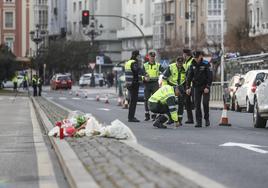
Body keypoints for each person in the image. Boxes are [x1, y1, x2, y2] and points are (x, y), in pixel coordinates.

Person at [186, 51, 212, 127]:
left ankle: (206, 119)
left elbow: (210, 76)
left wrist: (207, 86)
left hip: (205, 87)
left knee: (205, 103)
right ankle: (199, 121)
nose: (196, 59)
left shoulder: (206, 63)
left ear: (200, 56)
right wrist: (187, 87)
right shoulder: (192, 64)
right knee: (197, 105)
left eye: (197, 57)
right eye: (195, 58)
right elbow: (189, 77)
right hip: (196, 87)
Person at [162, 56, 186, 126]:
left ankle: (179, 119)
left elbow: (188, 78)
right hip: (171, 87)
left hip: (180, 86)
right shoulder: (171, 67)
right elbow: (164, 78)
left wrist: (188, 87)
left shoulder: (185, 68)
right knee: (170, 103)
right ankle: (171, 119)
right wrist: (165, 88)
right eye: (178, 63)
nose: (179, 65)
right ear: (176, 62)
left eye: (181, 63)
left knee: (181, 103)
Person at [142, 51, 164, 121]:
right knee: (146, 99)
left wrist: (162, 78)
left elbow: (164, 72)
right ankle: (147, 114)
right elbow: (141, 74)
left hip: (155, 83)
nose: (152, 58)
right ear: (148, 57)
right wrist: (144, 78)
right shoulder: (145, 65)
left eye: (153, 57)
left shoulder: (158, 65)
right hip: (147, 84)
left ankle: (154, 115)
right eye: (151, 57)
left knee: (155, 99)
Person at [125, 50, 143, 122]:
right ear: (136, 55)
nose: (139, 57)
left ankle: (130, 116)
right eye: (139, 55)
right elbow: (137, 71)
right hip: (134, 83)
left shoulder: (128, 62)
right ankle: (131, 117)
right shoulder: (134, 63)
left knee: (131, 100)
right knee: (133, 101)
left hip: (129, 83)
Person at [183, 48, 195, 124]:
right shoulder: (186, 62)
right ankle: (190, 119)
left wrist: (189, 86)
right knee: (187, 102)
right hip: (187, 85)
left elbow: (191, 75)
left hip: (192, 85)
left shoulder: (192, 61)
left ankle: (198, 118)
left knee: (195, 102)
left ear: (185, 54)